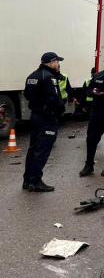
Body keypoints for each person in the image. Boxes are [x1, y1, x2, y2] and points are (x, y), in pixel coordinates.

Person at [22, 52, 66, 192]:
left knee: (33, 149)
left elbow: (27, 95)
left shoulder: (32, 76)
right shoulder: (49, 77)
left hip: (35, 116)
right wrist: (60, 109)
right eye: (57, 62)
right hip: (47, 118)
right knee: (42, 151)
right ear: (52, 62)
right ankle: (35, 181)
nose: (58, 64)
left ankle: (27, 180)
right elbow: (53, 99)